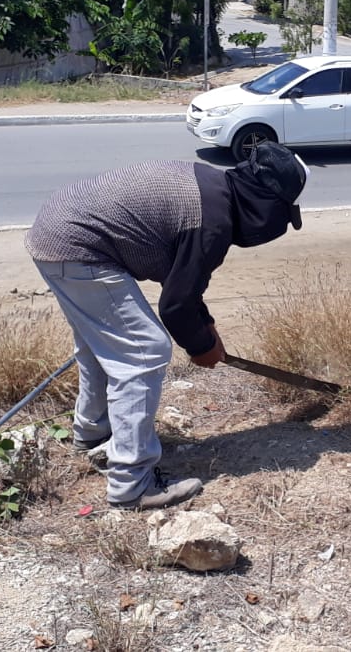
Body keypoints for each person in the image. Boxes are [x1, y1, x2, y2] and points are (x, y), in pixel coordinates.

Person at [26, 143, 309, 510]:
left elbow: (184, 284)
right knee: (144, 351)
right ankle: (131, 484)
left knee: (103, 346)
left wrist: (206, 329)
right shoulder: (213, 221)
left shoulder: (214, 189)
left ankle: (93, 434)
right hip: (78, 246)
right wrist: (201, 346)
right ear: (267, 204)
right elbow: (175, 306)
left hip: (58, 229)